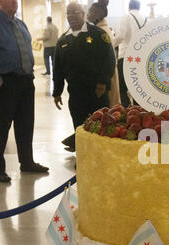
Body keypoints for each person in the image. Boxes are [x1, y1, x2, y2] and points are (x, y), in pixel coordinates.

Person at [0, 0, 49, 183]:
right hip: (6, 82)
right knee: (2, 127)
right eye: (10, 0)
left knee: (25, 124)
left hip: (25, 81)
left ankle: (27, 162)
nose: (15, 3)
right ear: (1, 2)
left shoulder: (20, 23)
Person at [53, 2, 115, 152]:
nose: (71, 16)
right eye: (68, 13)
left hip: (96, 92)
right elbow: (58, 69)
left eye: (75, 12)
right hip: (76, 93)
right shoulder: (63, 41)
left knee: (100, 126)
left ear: (83, 13)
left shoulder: (98, 34)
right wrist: (57, 92)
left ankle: (101, 156)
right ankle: (83, 157)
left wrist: (103, 83)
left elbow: (109, 60)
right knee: (79, 127)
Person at [87, 0, 121, 106]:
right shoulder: (103, 29)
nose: (87, 15)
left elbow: (105, 58)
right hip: (108, 73)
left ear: (97, 14)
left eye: (89, 12)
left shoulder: (101, 32)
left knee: (109, 106)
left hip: (105, 76)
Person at [115, 0, 147, 106]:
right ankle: (139, 113)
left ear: (129, 7)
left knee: (123, 88)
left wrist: (110, 45)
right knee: (138, 89)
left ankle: (128, 112)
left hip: (126, 57)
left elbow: (120, 36)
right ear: (139, 7)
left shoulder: (126, 17)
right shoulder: (146, 20)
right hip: (141, 58)